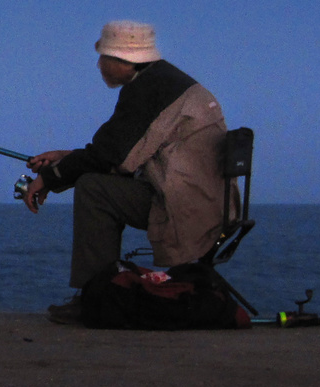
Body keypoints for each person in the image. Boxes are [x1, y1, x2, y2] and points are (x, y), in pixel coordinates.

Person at [20, 21, 230, 325]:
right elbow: (125, 152)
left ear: (122, 59)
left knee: (94, 189)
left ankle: (96, 299)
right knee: (96, 180)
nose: (99, 65)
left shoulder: (147, 89)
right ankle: (100, 293)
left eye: (103, 57)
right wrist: (65, 159)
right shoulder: (166, 83)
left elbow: (111, 154)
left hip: (184, 208)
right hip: (206, 201)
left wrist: (50, 178)